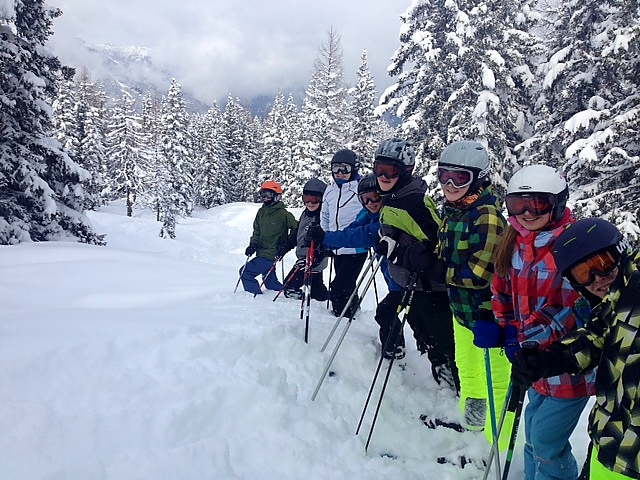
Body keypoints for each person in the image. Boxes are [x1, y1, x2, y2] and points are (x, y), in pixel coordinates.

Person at [490, 165, 597, 480]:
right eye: (516, 204)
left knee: (547, 442)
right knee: (533, 432)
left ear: (558, 203)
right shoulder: (515, 241)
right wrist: (505, 325)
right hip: (532, 363)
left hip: (565, 364)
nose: (525, 213)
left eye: (536, 204)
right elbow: (501, 286)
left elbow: (573, 307)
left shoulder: (571, 244)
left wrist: (527, 339)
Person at [512, 218, 639, 480]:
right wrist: (550, 359)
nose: (597, 279)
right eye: (584, 274)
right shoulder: (616, 298)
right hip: (611, 439)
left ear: (621, 251)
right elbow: (596, 336)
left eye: (603, 264)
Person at [436, 140, 513, 446]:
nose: (450, 185)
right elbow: (445, 253)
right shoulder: (452, 211)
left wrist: (438, 272)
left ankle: (501, 445)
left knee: (497, 381)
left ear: (478, 179)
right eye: (444, 176)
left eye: (460, 178)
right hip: (461, 311)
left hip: (490, 315)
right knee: (468, 372)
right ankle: (473, 434)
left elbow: (480, 274)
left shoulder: (486, 215)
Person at [374, 137, 459, 391]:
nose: (383, 176)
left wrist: (400, 251)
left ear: (406, 171)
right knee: (424, 334)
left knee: (445, 340)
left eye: (391, 171)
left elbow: (439, 242)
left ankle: (463, 390)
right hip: (409, 284)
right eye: (379, 169)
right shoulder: (391, 198)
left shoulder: (415, 202)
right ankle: (444, 379)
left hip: (429, 286)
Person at [306, 173, 405, 359]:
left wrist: (326, 239)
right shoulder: (367, 214)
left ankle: (398, 351)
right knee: (396, 314)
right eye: (365, 199)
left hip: (410, 278)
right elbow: (352, 229)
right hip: (395, 278)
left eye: (374, 197)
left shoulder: (387, 217)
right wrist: (325, 242)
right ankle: (406, 350)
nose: (370, 203)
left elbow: (361, 235)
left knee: (389, 313)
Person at [320, 149, 368, 318]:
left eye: (345, 169)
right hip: (336, 247)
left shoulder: (361, 189)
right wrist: (326, 239)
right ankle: (354, 310)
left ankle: (343, 317)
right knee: (347, 283)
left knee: (339, 287)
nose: (340, 173)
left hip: (356, 248)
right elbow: (325, 216)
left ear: (354, 169)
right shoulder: (330, 191)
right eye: (336, 169)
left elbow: (370, 212)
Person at [239, 180, 298, 295]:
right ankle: (284, 293)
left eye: (269, 195)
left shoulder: (283, 214)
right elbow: (257, 231)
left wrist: (286, 244)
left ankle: (255, 297)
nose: (265, 198)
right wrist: (253, 244)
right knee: (270, 282)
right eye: (263, 194)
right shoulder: (261, 212)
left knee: (245, 272)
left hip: (272, 253)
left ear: (277, 196)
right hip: (261, 251)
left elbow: (297, 228)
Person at [278, 178, 329, 302]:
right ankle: (329, 300)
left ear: (322, 200)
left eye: (315, 200)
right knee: (318, 292)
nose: (310, 203)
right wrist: (285, 247)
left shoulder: (322, 218)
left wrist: (315, 259)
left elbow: (325, 243)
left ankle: (303, 301)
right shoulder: (305, 214)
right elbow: (296, 234)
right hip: (304, 259)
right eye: (306, 199)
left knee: (289, 286)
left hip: (312, 261)